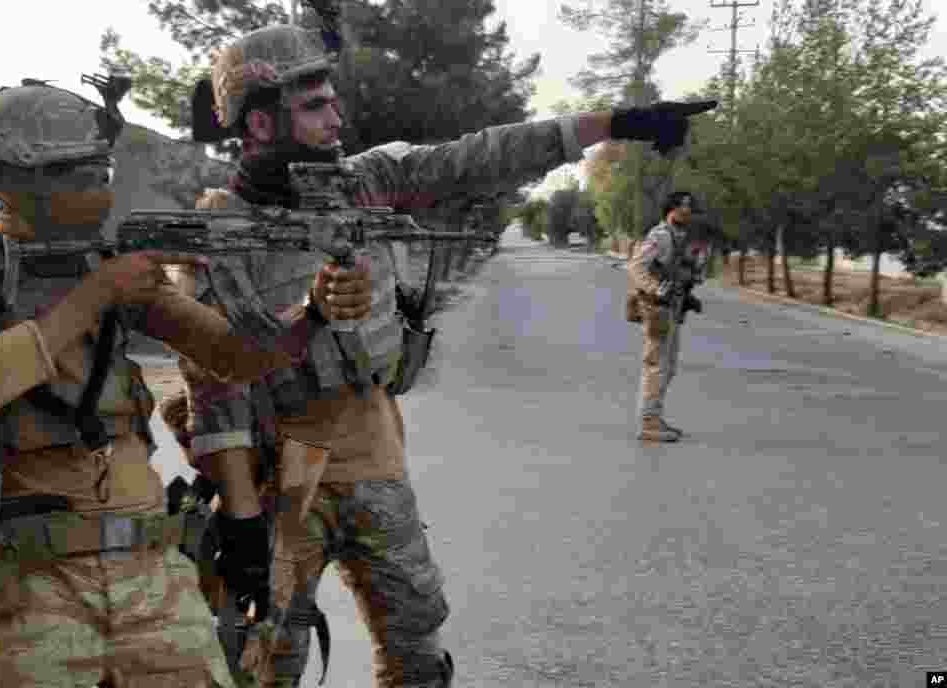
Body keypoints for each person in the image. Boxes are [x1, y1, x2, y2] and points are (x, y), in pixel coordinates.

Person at [165, 21, 716, 688]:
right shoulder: (212, 235)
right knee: (265, 659)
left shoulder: (362, 183)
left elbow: (478, 156)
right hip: (275, 465)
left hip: (371, 445)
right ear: (256, 125)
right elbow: (213, 390)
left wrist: (618, 122)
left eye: (333, 99)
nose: (336, 117)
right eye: (313, 106)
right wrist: (246, 523)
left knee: (416, 642)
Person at [0, 78, 299, 688]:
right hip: (30, 586)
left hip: (154, 574)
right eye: (77, 172)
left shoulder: (109, 264)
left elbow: (236, 359)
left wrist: (314, 313)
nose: (101, 188)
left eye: (101, 169)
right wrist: (99, 294)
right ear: (13, 181)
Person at [627, 191, 709, 442]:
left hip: (673, 309)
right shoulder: (661, 235)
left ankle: (654, 416)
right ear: (671, 209)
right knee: (657, 366)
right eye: (685, 206)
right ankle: (649, 422)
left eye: (691, 207)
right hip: (658, 309)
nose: (689, 211)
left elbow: (681, 273)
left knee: (668, 367)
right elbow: (635, 267)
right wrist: (656, 289)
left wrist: (688, 294)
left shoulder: (680, 238)